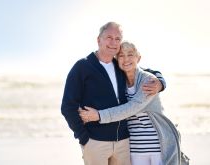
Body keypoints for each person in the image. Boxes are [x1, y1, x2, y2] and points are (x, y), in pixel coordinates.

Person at [61, 22, 166, 165]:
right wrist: (83, 138)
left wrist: (160, 81)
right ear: (99, 40)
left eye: (118, 39)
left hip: (124, 142)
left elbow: (143, 71)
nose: (113, 42)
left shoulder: (120, 66)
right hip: (96, 142)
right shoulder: (83, 67)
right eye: (109, 37)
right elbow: (67, 106)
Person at [79, 41, 189, 165]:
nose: (126, 59)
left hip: (156, 147)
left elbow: (131, 108)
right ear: (116, 60)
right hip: (134, 148)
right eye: (121, 55)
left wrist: (99, 115)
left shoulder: (149, 80)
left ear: (138, 58)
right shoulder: (118, 81)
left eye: (130, 54)